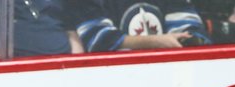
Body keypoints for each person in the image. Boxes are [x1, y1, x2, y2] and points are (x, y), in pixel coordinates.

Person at [0, 0, 83, 59]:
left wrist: (76, 68)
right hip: (18, 80)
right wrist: (21, 73)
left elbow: (71, 32)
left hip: (66, 76)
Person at [73, 1, 210, 52]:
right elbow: (94, 37)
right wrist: (153, 42)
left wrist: (190, 39)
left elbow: (189, 25)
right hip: (110, 80)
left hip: (165, 77)